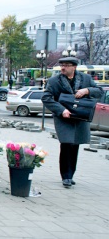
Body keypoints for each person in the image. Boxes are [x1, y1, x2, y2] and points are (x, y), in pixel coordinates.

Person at [42, 57, 103, 187]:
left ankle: (71, 174)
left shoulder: (85, 79)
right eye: (61, 65)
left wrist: (87, 90)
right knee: (66, 143)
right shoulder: (54, 81)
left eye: (66, 65)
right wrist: (61, 109)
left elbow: (99, 91)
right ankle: (66, 176)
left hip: (80, 116)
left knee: (75, 144)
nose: (63, 68)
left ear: (74, 67)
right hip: (63, 117)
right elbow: (46, 98)